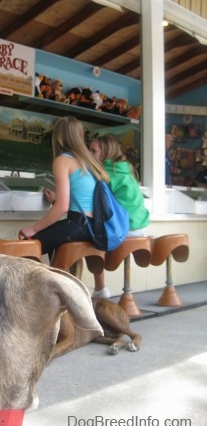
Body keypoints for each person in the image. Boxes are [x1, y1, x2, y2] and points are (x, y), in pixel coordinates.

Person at [19, 116, 108, 257]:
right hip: (94, 227)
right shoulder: (90, 162)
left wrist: (33, 228)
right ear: (80, 136)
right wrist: (55, 200)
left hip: (78, 225)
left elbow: (62, 207)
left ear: (57, 136)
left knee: (23, 251)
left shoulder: (63, 160)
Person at [88, 135, 150, 298]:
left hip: (128, 228)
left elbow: (94, 202)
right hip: (141, 226)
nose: (89, 154)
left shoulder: (104, 174)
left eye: (93, 151)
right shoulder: (125, 168)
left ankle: (100, 289)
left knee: (92, 239)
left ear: (106, 152)